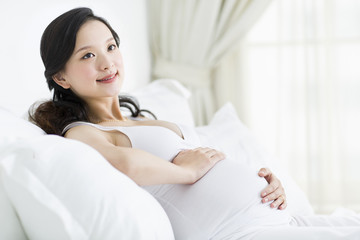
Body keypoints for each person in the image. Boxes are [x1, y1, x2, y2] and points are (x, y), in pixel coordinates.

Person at [30, 7, 294, 239]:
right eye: (88, 55)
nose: (107, 63)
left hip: (272, 220)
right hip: (235, 231)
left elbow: (208, 160)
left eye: (111, 47)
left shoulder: (140, 120)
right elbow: (125, 165)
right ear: (61, 78)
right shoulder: (82, 132)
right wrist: (188, 173)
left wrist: (266, 185)